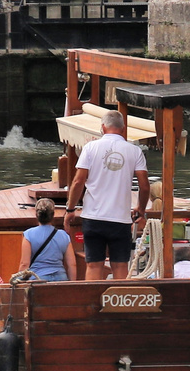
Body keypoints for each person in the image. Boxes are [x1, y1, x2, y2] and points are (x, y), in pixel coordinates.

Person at [65, 111, 150, 281]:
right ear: (123, 129)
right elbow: (144, 186)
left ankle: (93, 304)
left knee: (94, 264)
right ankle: (118, 305)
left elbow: (78, 182)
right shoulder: (134, 151)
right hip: (120, 219)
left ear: (103, 127)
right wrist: (140, 209)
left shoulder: (90, 148)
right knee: (120, 265)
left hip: (94, 217)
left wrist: (70, 209)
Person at [18, 198, 75, 282]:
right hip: (61, 278)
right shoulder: (64, 235)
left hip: (38, 278)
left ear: (36, 214)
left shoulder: (28, 234)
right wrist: (72, 286)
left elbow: (24, 264)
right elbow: (72, 265)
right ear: (53, 215)